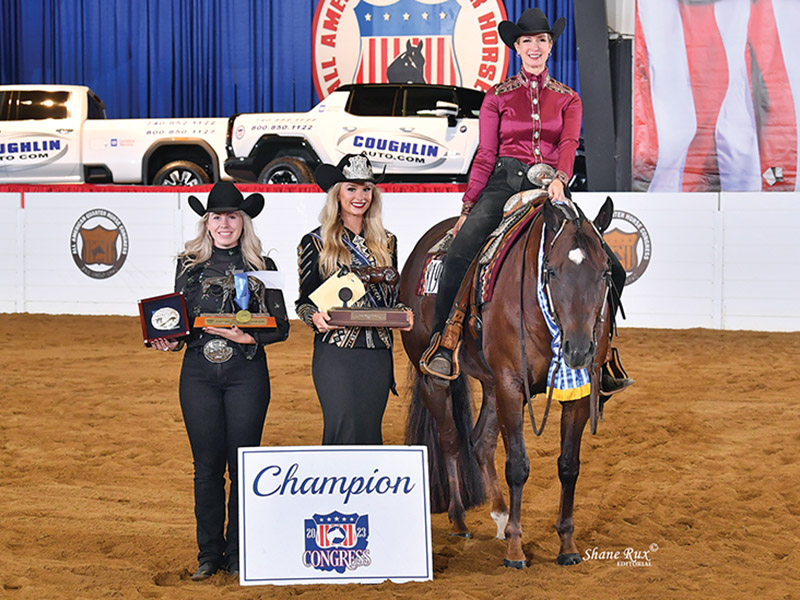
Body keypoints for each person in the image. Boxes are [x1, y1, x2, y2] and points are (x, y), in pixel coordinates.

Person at [419, 8, 632, 394]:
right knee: (460, 252)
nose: (535, 47)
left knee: (610, 264)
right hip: (503, 183)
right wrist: (469, 207)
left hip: (552, 185)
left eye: (542, 40)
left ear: (550, 46)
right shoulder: (496, 97)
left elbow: (568, 143)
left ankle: (606, 354)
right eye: (527, 41)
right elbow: (485, 154)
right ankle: (444, 339)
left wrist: (560, 180)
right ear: (516, 47)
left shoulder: (569, 99)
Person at [150, 181, 289, 581]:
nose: (224, 224)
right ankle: (208, 554)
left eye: (231, 216)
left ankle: (239, 551)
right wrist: (169, 341)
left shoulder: (265, 266)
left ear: (242, 222)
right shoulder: (188, 265)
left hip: (247, 373)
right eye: (217, 217)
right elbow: (179, 322)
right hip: (198, 374)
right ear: (207, 222)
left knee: (241, 465)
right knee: (207, 468)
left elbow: (280, 326)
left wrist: (251, 336)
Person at [296, 153, 413, 445]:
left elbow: (392, 298)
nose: (360, 196)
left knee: (370, 431)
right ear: (337, 194)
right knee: (341, 429)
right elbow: (304, 302)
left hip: (377, 353)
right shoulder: (316, 242)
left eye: (366, 188)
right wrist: (314, 317)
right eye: (351, 188)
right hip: (337, 353)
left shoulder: (388, 242)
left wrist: (405, 313)